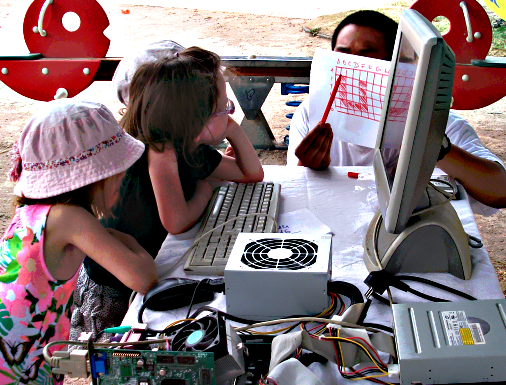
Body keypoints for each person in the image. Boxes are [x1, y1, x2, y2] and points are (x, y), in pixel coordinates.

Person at [70, 43, 264, 342]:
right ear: (192, 118)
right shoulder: (160, 151)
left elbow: (251, 174)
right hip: (114, 285)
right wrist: (202, 193)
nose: (228, 115)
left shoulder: (188, 145)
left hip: (143, 267)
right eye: (223, 109)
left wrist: (232, 129)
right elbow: (176, 221)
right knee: (117, 356)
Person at [0, 99, 157, 384]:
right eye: (117, 176)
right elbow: (143, 277)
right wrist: (123, 239)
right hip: (21, 369)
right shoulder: (71, 219)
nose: (120, 185)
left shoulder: (32, 214)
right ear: (95, 177)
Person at [287, 10, 506, 214]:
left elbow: (500, 191)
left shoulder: (439, 123)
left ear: (399, 65)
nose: (352, 67)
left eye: (367, 58)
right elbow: (296, 196)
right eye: (342, 56)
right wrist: (307, 166)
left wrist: (431, 145)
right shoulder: (312, 115)